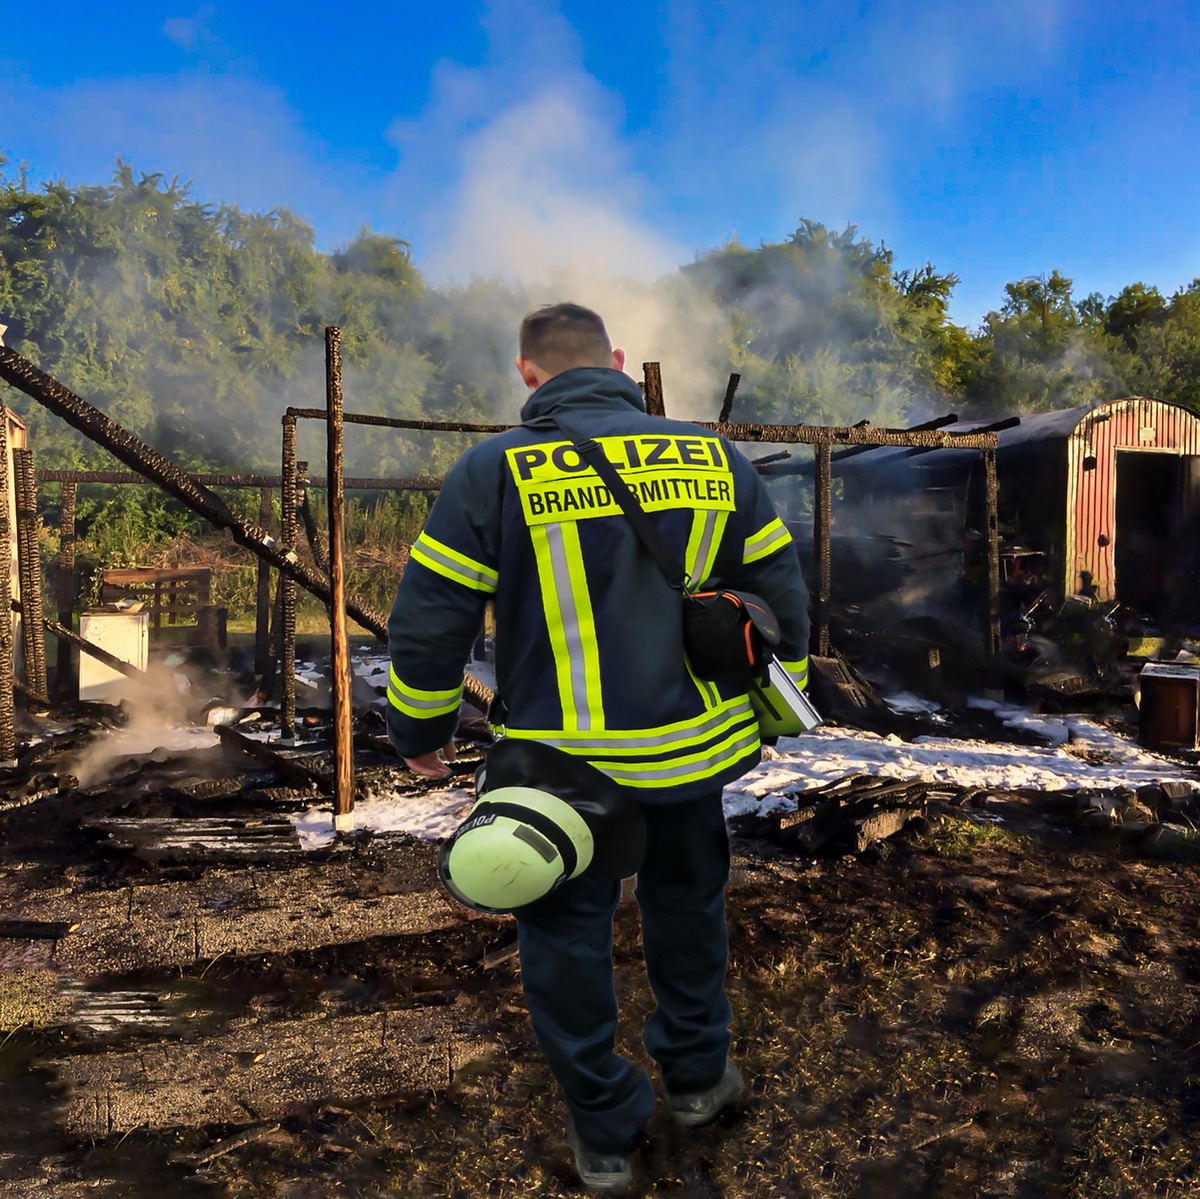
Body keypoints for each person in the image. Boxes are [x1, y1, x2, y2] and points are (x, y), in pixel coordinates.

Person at [387, 302, 810, 1192]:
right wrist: (778, 704)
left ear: (527, 374)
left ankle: (607, 1128)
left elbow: (432, 620)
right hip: (692, 752)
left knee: (566, 938)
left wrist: (420, 733)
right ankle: (697, 1079)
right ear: (616, 361)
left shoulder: (494, 468)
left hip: (557, 765)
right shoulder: (711, 456)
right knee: (689, 906)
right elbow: (780, 596)